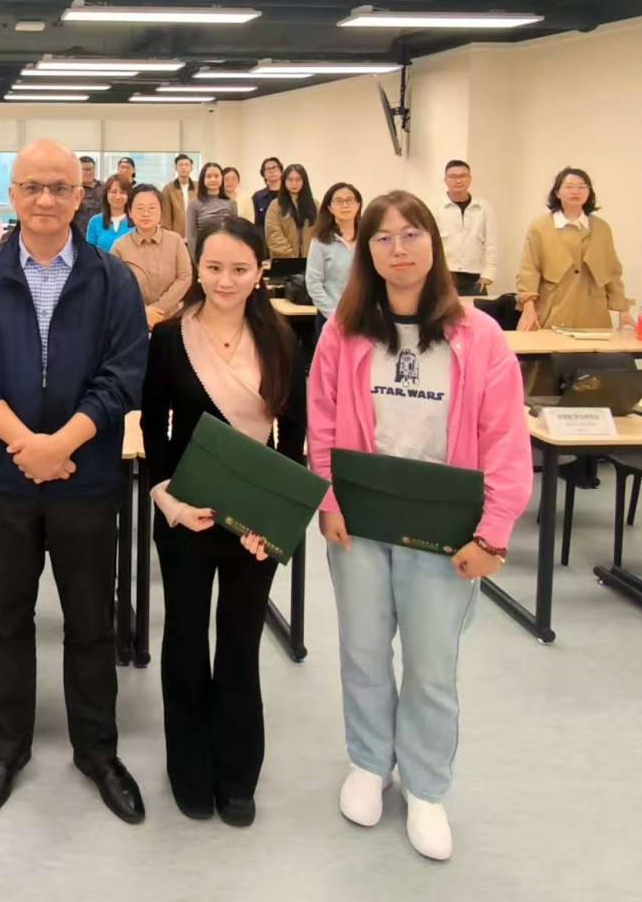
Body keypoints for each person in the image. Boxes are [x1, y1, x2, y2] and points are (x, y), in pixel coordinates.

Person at [309, 189, 531, 861]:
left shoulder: (479, 335)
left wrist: (493, 533)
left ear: (433, 244)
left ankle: (427, 786)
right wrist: (328, 498)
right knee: (362, 650)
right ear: (366, 252)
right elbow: (322, 420)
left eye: (411, 235)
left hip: (444, 524)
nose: (397, 249)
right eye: (382, 238)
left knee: (432, 665)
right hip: (362, 518)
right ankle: (369, 762)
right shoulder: (344, 330)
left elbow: (505, 440)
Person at [0, 139, 149, 825]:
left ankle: (98, 751)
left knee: (91, 620)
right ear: (13, 195)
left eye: (59, 187)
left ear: (79, 196)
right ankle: (8, 749)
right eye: (32, 187)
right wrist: (26, 445)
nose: (45, 200)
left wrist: (61, 445)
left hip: (86, 477)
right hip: (6, 478)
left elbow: (124, 375)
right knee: (7, 618)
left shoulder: (112, 279)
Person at [141, 216, 307, 826]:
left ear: (260, 271)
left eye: (239, 269)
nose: (225, 281)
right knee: (185, 637)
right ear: (197, 268)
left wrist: (276, 521)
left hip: (253, 524)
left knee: (240, 642)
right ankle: (187, 766)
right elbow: (152, 427)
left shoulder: (282, 339)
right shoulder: (170, 337)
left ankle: (237, 773)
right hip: (186, 512)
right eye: (213, 268)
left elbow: (292, 437)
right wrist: (168, 498)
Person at [515, 167, 632, 332]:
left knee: (594, 348)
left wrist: (623, 310)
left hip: (593, 311)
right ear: (557, 192)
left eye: (582, 187)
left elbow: (612, 271)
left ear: (589, 192)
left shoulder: (601, 228)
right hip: (553, 307)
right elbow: (529, 270)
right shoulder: (540, 227)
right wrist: (528, 308)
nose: (576, 192)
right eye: (569, 187)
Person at [112, 184, 192, 329]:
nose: (146, 213)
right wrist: (143, 311)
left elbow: (184, 277)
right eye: (140, 208)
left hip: (171, 321)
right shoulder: (119, 246)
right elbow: (115, 285)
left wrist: (157, 309)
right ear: (130, 212)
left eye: (152, 208)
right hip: (133, 320)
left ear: (161, 211)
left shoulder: (175, 241)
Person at [305, 182, 362, 332]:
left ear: (358, 205)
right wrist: (335, 316)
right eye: (338, 201)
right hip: (330, 318)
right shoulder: (320, 241)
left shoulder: (368, 239)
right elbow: (313, 284)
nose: (345, 205)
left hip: (364, 317)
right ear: (330, 208)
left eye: (349, 200)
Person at [436, 160, 496, 296]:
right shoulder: (434, 207)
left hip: (475, 276)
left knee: (475, 309)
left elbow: (491, 243)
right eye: (453, 177)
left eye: (463, 176)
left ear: (470, 179)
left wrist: (488, 273)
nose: (458, 181)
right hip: (443, 274)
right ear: (445, 180)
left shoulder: (484, 208)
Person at [185, 162, 237, 257]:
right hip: (203, 253)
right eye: (208, 176)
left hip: (227, 252)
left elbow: (235, 232)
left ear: (222, 178)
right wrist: (195, 258)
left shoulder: (232, 203)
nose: (213, 179)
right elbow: (191, 234)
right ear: (203, 179)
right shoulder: (193, 203)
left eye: (216, 176)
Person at [265, 164, 316, 260]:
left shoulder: (315, 205)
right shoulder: (276, 205)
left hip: (311, 259)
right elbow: (273, 235)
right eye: (290, 180)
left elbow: (320, 232)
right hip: (283, 260)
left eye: (298, 180)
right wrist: (290, 256)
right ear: (284, 181)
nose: (294, 184)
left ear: (304, 181)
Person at [84, 175, 134, 252]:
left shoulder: (136, 221)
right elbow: (89, 253)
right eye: (113, 192)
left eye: (122, 192)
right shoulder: (95, 221)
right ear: (106, 194)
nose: (118, 197)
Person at [159, 153, 195, 237]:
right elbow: (166, 217)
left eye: (187, 165)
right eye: (181, 165)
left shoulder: (198, 187)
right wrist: (169, 236)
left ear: (191, 168)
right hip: (176, 235)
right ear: (176, 168)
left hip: (195, 235)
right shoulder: (168, 189)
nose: (184, 167)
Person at [251, 157, 283, 234]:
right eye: (268, 169)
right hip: (265, 237)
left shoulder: (289, 193)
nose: (271, 171)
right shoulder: (257, 196)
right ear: (263, 174)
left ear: (281, 171)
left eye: (274, 167)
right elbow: (256, 223)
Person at [76, 155, 104, 230]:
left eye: (90, 169)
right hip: (81, 230)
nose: (88, 172)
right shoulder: (74, 189)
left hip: (103, 229)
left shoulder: (104, 187)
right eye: (84, 170)